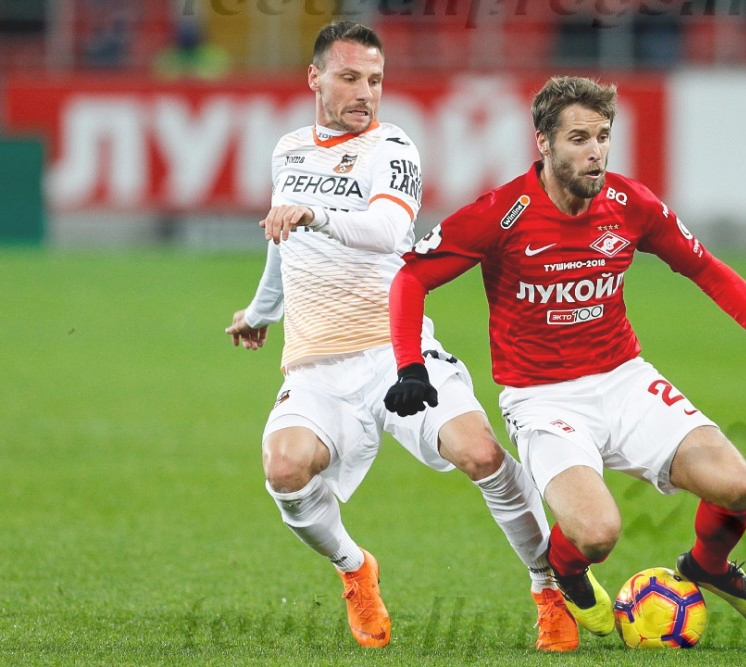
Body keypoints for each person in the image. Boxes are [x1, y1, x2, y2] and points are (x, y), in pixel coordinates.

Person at [384, 76, 746, 640]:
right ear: (543, 143)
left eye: (603, 136)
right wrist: (410, 365)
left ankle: (708, 565)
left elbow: (703, 267)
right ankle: (567, 571)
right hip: (542, 400)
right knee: (597, 533)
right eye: (579, 138)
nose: (596, 151)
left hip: (625, 381)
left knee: (739, 487)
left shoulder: (630, 204)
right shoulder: (500, 213)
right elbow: (410, 278)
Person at [225, 21, 577, 652]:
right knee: (284, 468)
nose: (365, 93)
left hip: (397, 350)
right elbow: (283, 242)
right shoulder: (288, 151)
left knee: (480, 454)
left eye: (376, 80)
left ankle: (547, 588)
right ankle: (354, 569)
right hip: (316, 366)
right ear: (315, 78)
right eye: (350, 77)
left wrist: (314, 212)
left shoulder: (393, 147)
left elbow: (389, 231)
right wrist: (260, 312)